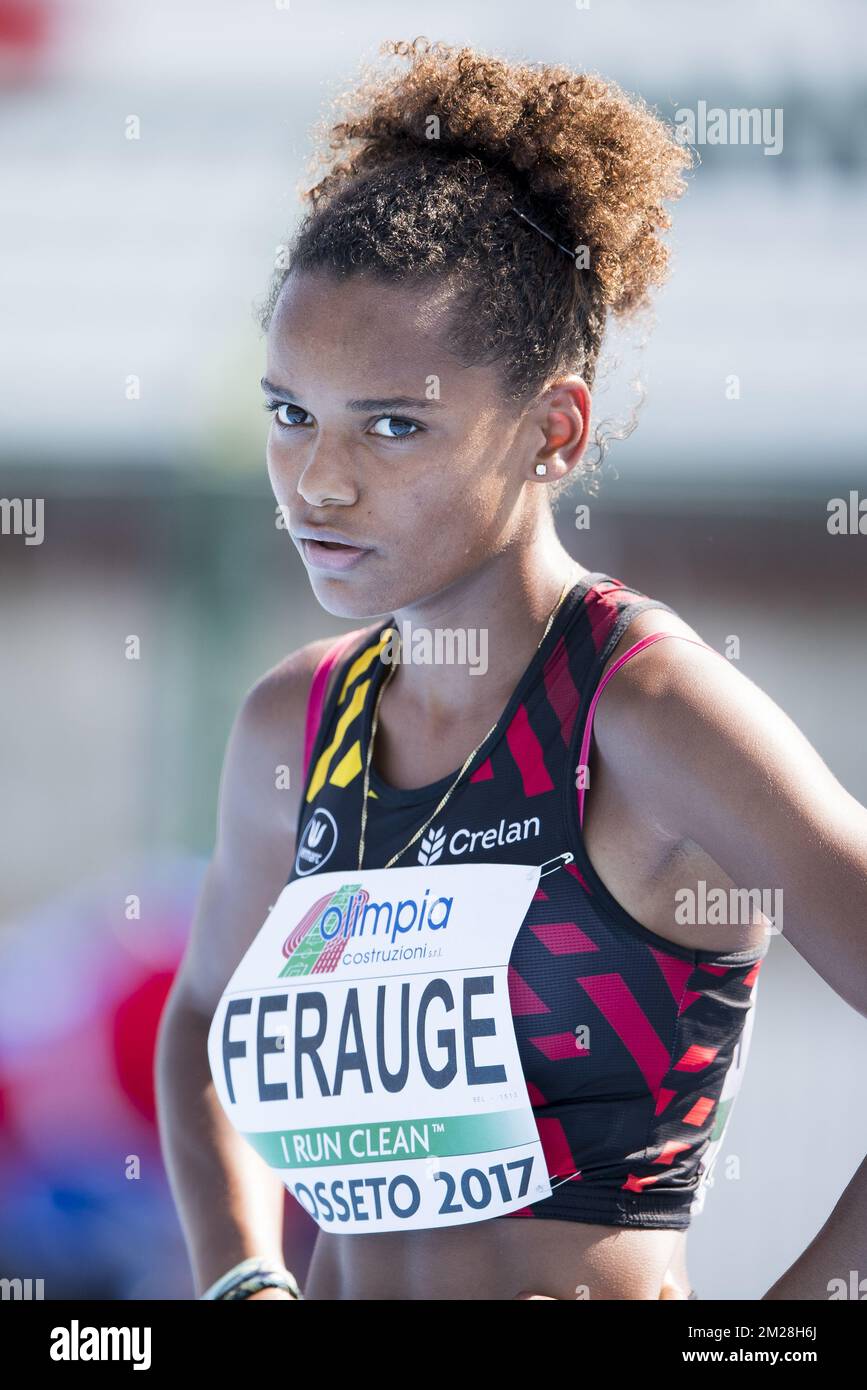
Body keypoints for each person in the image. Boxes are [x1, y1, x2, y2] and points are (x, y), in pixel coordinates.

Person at [156, 38, 867, 1301]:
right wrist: (239, 1279)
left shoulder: (649, 711)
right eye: (288, 413)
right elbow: (205, 1022)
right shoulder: (292, 725)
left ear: (555, 428)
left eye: (394, 425)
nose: (319, 480)